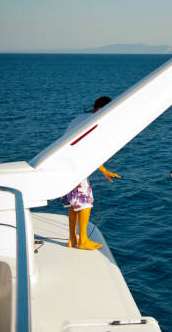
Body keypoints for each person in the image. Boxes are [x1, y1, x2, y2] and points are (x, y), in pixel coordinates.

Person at [61, 96, 121, 250]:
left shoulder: (81, 118)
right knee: (85, 203)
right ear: (101, 109)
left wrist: (104, 170)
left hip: (65, 163)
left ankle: (72, 239)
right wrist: (104, 170)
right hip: (77, 167)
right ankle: (83, 241)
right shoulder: (92, 123)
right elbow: (89, 149)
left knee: (74, 204)